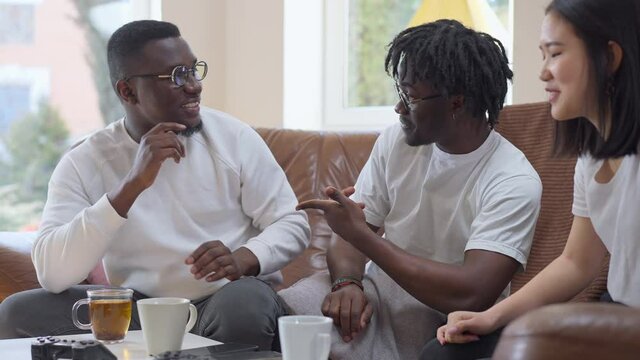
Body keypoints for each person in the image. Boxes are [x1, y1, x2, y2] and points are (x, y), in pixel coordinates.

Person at [0, 20, 310, 350]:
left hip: (222, 300)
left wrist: (245, 257)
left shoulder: (234, 138)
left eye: (193, 70)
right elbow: (52, 272)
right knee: (18, 314)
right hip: (136, 310)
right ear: (127, 91)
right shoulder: (85, 161)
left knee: (247, 305)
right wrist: (131, 185)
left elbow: (292, 222)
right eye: (177, 76)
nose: (194, 86)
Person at [278, 19, 543, 360]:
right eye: (399, 92)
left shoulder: (512, 179)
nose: (399, 107)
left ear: (456, 103)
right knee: (284, 312)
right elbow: (348, 236)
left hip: (451, 317)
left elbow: (471, 294)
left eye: (411, 97)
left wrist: (364, 239)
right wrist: (347, 283)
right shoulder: (397, 141)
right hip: (379, 293)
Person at [435, 0, 640, 357]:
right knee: (446, 353)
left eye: (555, 54)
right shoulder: (591, 158)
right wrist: (490, 317)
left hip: (628, 327)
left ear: (609, 58)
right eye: (542, 55)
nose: (543, 73)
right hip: (618, 314)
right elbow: (577, 262)